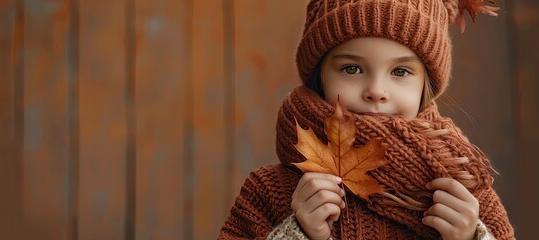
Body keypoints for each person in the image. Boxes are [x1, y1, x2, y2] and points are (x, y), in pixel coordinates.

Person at [219, 0, 515, 239]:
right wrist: (298, 233)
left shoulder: (463, 193)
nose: (376, 91)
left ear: (426, 85)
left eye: (400, 72)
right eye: (351, 69)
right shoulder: (272, 192)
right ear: (319, 76)